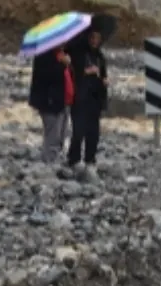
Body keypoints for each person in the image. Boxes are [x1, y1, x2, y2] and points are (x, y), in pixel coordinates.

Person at [67, 30, 108, 178]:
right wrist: (86, 71)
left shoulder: (100, 57)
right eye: (92, 37)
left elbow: (103, 75)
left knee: (93, 132)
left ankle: (90, 159)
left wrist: (104, 82)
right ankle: (74, 159)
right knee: (78, 131)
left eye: (97, 38)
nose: (95, 41)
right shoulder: (78, 53)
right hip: (80, 99)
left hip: (95, 99)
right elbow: (73, 72)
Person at [29, 45, 73, 163]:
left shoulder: (62, 53)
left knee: (61, 135)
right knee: (53, 136)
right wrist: (62, 64)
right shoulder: (44, 54)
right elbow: (46, 75)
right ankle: (49, 163)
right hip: (50, 101)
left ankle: (55, 160)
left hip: (64, 100)